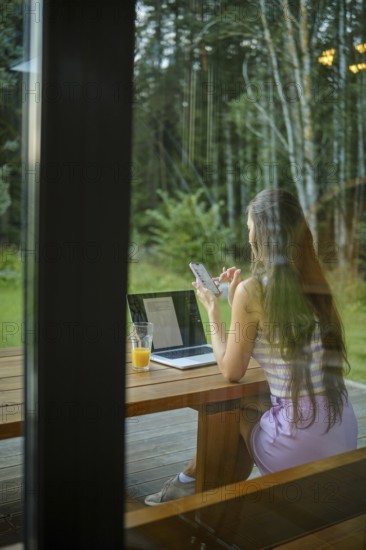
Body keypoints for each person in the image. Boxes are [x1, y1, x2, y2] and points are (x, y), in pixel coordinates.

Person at [144, 188, 358, 506]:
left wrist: (213, 311)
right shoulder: (314, 284)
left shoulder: (254, 290)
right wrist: (236, 302)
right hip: (341, 435)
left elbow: (232, 371)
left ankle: (197, 490)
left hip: (298, 449)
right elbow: (281, 342)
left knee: (229, 409)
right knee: (254, 400)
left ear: (260, 232)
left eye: (248, 228)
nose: (247, 238)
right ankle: (190, 483)